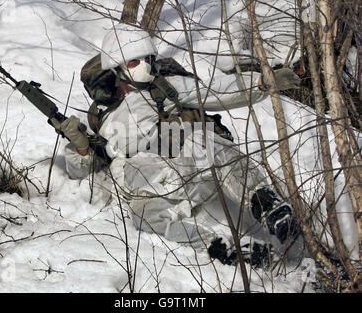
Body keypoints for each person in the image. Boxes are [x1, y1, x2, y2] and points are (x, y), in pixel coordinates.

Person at [51, 23, 302, 265]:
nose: (145, 67)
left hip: (186, 170)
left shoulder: (166, 88)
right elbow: (83, 173)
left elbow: (216, 90)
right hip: (146, 187)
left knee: (202, 139)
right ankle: (222, 247)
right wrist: (81, 146)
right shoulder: (102, 115)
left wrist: (260, 83)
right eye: (135, 62)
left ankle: (269, 205)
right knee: (144, 217)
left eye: (148, 59)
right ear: (117, 69)